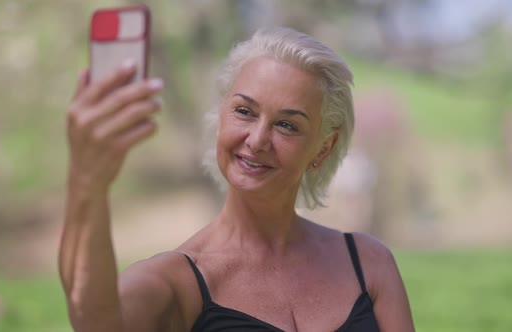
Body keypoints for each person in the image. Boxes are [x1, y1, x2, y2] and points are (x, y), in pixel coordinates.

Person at [59, 27, 415, 332]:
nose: (258, 139)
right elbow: (94, 320)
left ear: (323, 148)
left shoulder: (369, 262)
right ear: (222, 117)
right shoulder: (178, 280)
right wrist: (86, 181)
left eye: (287, 125)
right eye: (244, 111)